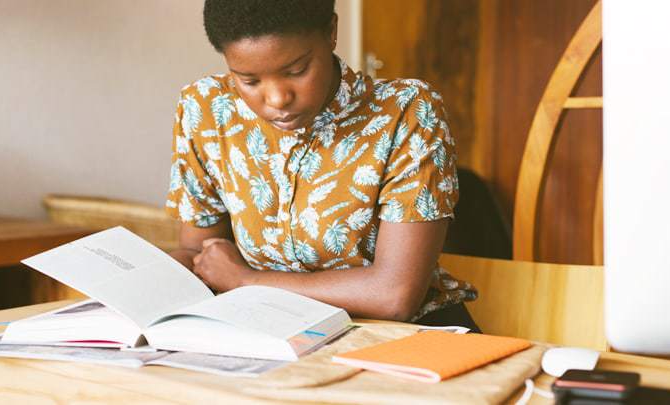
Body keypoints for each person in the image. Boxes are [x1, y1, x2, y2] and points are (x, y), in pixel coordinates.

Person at [165, 0, 479, 329]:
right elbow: (202, 254)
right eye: (249, 81)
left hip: (407, 336)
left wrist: (246, 281)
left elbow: (395, 296)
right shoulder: (206, 109)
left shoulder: (406, 113)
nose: (276, 99)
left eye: (296, 71)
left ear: (331, 32)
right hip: (270, 332)